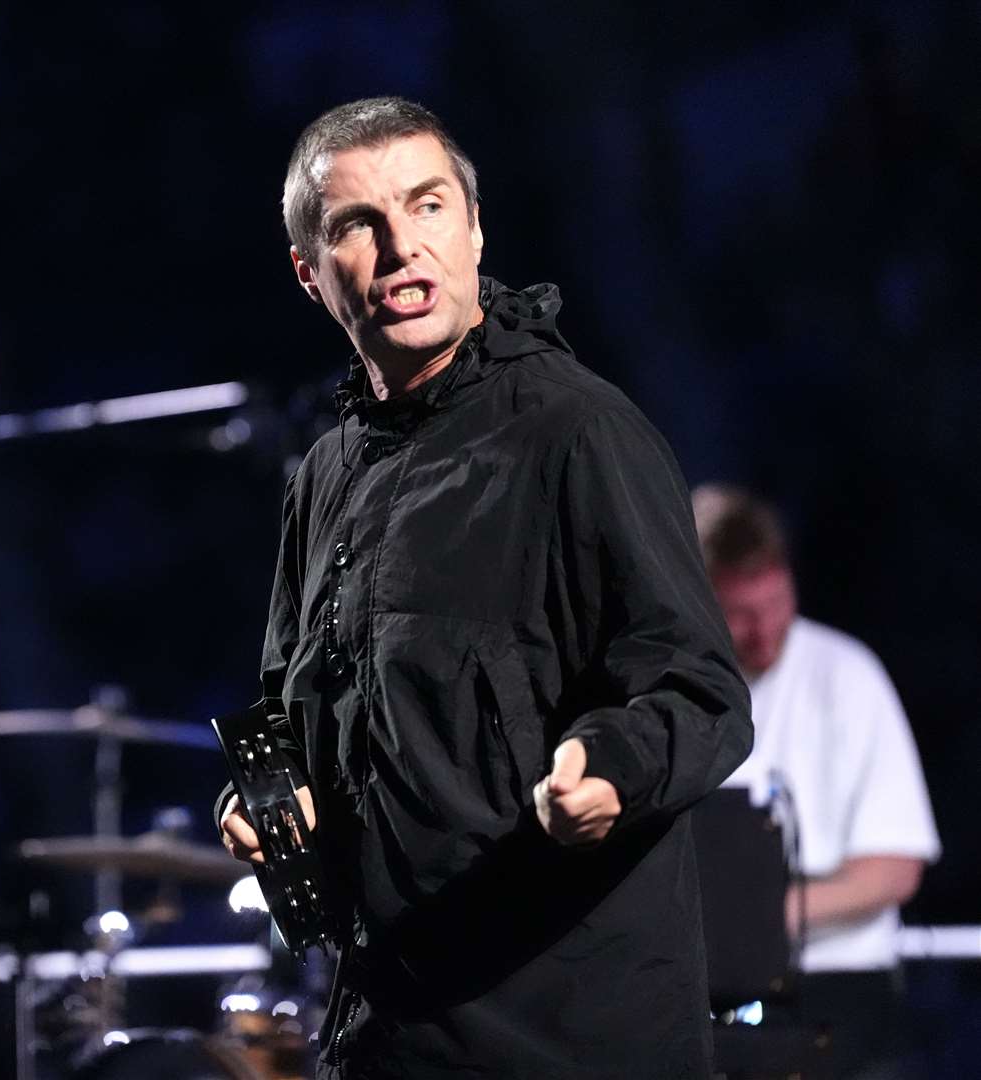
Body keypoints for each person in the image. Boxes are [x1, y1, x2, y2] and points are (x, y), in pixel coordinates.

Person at [215, 97, 754, 1079]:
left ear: (472, 228)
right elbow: (291, 707)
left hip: (570, 1039)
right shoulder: (324, 475)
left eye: (426, 206)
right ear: (310, 272)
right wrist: (268, 794)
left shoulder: (578, 432)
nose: (400, 246)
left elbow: (703, 692)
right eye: (357, 226)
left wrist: (613, 765)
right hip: (388, 1034)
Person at [692, 484, 940, 1079]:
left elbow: (895, 867)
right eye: (741, 614)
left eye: (776, 603)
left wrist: (753, 921)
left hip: (837, 990)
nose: (765, 631)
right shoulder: (674, 687)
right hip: (698, 991)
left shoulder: (848, 674)